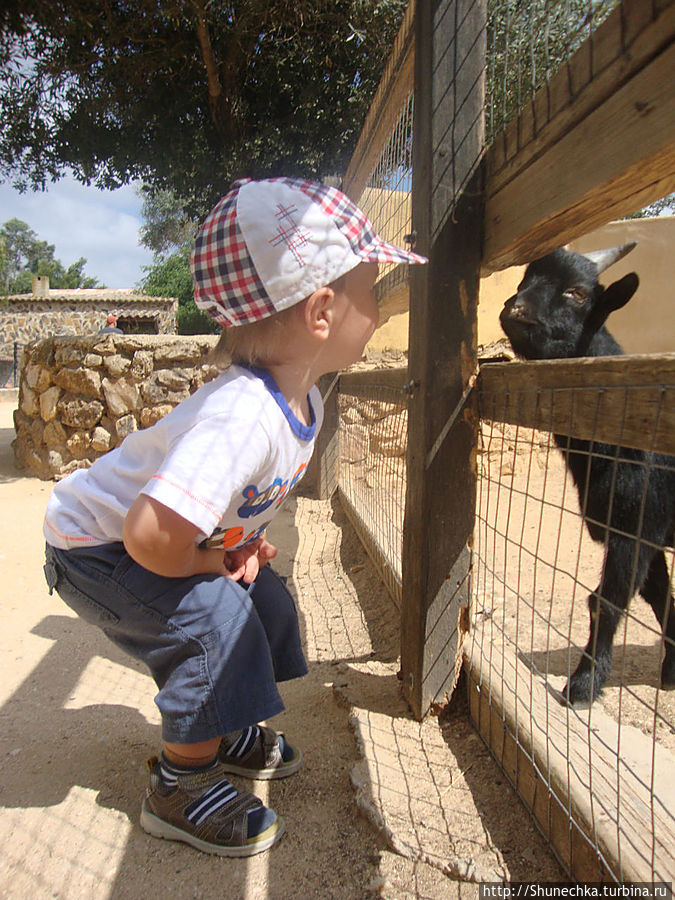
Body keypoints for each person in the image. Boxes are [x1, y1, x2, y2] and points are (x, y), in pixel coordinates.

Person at [42, 177, 427, 857]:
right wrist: (212, 562)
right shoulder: (240, 415)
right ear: (320, 311)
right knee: (211, 620)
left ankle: (221, 726)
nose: (382, 312)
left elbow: (211, 515)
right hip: (93, 549)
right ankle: (179, 785)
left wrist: (236, 549)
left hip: (141, 542)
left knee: (262, 598)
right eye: (372, 293)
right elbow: (150, 535)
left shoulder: (296, 397)